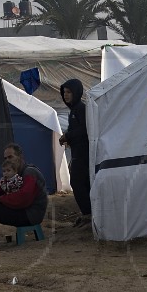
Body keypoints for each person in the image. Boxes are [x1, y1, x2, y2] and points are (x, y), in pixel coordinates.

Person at [59, 78, 91, 227]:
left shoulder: (81, 109)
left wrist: (68, 136)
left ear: (76, 93)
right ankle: (87, 213)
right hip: (78, 152)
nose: (66, 95)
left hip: (83, 154)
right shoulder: (74, 110)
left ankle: (88, 214)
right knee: (81, 183)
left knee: (77, 183)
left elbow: (85, 129)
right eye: (64, 92)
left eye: (69, 92)